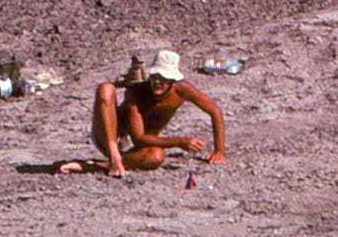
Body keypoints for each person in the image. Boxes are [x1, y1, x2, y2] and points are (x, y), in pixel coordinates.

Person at [55, 50, 227, 176]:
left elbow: (215, 111)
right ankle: (114, 158)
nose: (157, 83)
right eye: (155, 77)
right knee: (106, 88)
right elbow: (138, 137)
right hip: (112, 137)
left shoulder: (183, 90)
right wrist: (178, 141)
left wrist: (219, 150)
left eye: (164, 79)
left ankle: (97, 165)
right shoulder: (137, 93)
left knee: (157, 156)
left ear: (173, 81)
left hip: (141, 145)